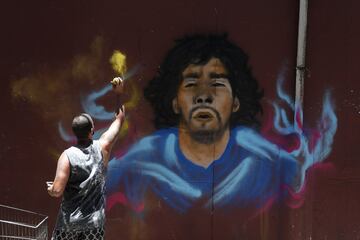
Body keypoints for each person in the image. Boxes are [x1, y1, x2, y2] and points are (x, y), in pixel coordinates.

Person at [48, 79, 125, 240]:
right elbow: (119, 119)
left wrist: (51, 188)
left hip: (69, 225)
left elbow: (56, 191)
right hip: (94, 226)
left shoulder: (67, 156)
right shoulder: (103, 147)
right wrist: (118, 94)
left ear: (75, 133)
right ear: (92, 131)